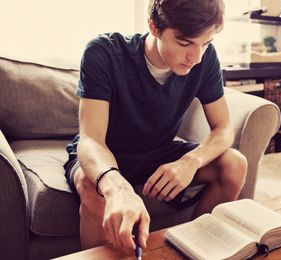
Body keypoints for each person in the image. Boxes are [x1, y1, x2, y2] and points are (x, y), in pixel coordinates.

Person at [63, 0, 247, 253]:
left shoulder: (205, 60)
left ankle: (194, 250)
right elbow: (91, 140)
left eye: (205, 44)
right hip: (107, 153)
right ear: (154, 27)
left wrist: (189, 162)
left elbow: (223, 129)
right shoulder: (104, 52)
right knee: (90, 185)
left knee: (234, 164)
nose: (196, 57)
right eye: (184, 43)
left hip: (159, 151)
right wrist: (116, 186)